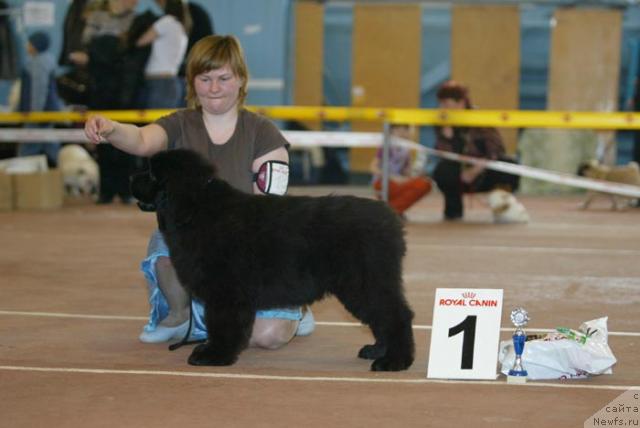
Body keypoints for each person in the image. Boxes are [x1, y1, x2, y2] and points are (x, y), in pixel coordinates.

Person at [84, 35, 314, 349]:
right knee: (165, 245)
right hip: (195, 239)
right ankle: (179, 314)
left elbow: (270, 211)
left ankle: (296, 307)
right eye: (205, 79)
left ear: (241, 80)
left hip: (249, 244)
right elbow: (139, 139)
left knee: (266, 336)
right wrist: (111, 128)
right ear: (192, 82)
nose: (214, 88)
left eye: (223, 78)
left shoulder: (264, 133)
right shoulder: (179, 124)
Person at [70, 0, 140, 204]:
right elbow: (86, 47)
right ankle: (107, 191)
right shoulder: (96, 18)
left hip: (125, 91)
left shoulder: (135, 20)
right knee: (101, 141)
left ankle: (125, 190)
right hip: (100, 89)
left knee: (126, 141)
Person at [432, 80, 520, 221]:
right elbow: (444, 155)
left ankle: (503, 207)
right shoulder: (441, 122)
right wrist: (447, 137)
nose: (442, 108)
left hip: (484, 171)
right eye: (441, 104)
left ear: (460, 103)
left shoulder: (480, 119)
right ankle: (453, 213)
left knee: (510, 166)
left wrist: (476, 169)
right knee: (443, 171)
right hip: (459, 174)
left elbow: (496, 149)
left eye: (446, 104)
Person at [17, 31, 63, 167]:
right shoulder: (44, 61)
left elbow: (39, 90)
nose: (27, 46)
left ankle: (19, 175)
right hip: (44, 112)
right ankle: (61, 169)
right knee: (49, 144)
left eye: (30, 43)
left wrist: (35, 113)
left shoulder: (38, 63)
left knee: (28, 147)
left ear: (36, 46)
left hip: (39, 113)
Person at [135, 0, 190, 109]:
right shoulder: (182, 28)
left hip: (159, 83)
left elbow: (141, 41)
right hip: (173, 83)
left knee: (155, 124)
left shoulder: (167, 21)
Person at [369, 124, 432, 216]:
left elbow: (407, 172)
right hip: (383, 181)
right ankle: (392, 211)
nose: (401, 133)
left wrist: (418, 174)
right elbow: (372, 167)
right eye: (397, 130)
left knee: (425, 184)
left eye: (404, 130)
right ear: (391, 132)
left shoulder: (407, 149)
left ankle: (393, 210)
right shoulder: (385, 146)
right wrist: (391, 177)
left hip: (399, 181)